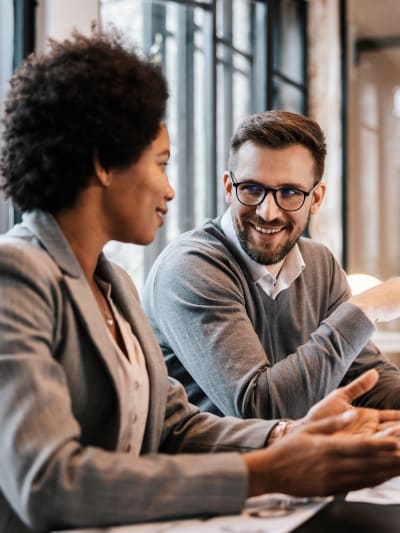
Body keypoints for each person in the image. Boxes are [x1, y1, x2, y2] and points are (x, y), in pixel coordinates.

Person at [1, 33, 400, 533]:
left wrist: (288, 436)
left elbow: (172, 423)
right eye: (162, 164)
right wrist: (266, 469)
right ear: (104, 163)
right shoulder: (16, 274)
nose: (170, 187)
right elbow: (47, 484)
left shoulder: (116, 285)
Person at [143, 109, 400, 421]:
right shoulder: (190, 268)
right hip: (217, 468)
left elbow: (368, 381)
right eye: (252, 189)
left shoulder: (321, 264)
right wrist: (365, 308)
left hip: (298, 464)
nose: (267, 212)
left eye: (289, 193)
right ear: (228, 188)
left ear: (316, 199)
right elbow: (261, 408)